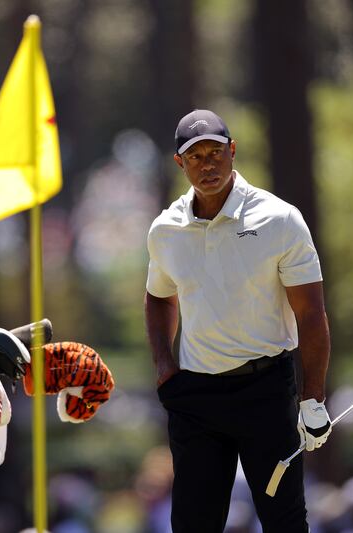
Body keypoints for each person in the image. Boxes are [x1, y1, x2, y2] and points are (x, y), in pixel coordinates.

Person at [144, 109, 332, 532]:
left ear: (232, 151)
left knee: (284, 522)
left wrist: (313, 398)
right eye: (195, 157)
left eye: (215, 153)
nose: (207, 165)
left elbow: (310, 313)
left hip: (266, 390)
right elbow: (158, 297)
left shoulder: (279, 219)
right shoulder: (165, 229)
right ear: (179, 163)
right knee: (193, 525)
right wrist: (164, 366)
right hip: (195, 395)